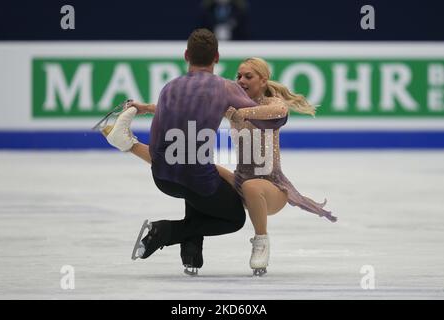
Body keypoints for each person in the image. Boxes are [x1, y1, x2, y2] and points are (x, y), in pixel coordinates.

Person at [101, 56, 337, 276]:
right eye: (239, 76)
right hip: (240, 181)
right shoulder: (230, 103)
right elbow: (187, 107)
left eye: (248, 76)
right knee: (191, 165)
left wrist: (241, 113)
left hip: (271, 188)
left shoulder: (270, 102)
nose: (241, 80)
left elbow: (280, 110)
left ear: (263, 80)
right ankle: (128, 144)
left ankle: (261, 241)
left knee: (254, 186)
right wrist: (147, 107)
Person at [100, 28, 273, 276]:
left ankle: (191, 255)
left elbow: (160, 140)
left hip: (163, 179)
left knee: (193, 176)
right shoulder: (225, 87)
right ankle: (165, 232)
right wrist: (274, 103)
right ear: (216, 57)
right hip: (198, 181)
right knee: (234, 218)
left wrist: (144, 115)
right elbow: (257, 115)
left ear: (186, 55)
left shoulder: (169, 88)